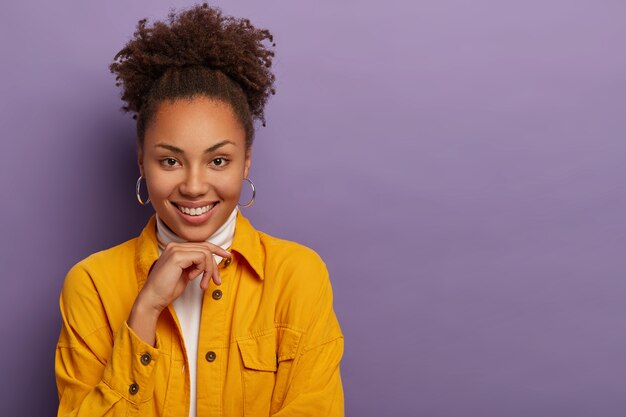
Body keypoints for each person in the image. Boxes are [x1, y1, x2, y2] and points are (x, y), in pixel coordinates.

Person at [55, 4, 344, 416]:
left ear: (246, 162)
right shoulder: (92, 286)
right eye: (170, 161)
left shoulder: (297, 277)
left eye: (218, 161)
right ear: (142, 162)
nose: (193, 186)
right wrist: (145, 310)